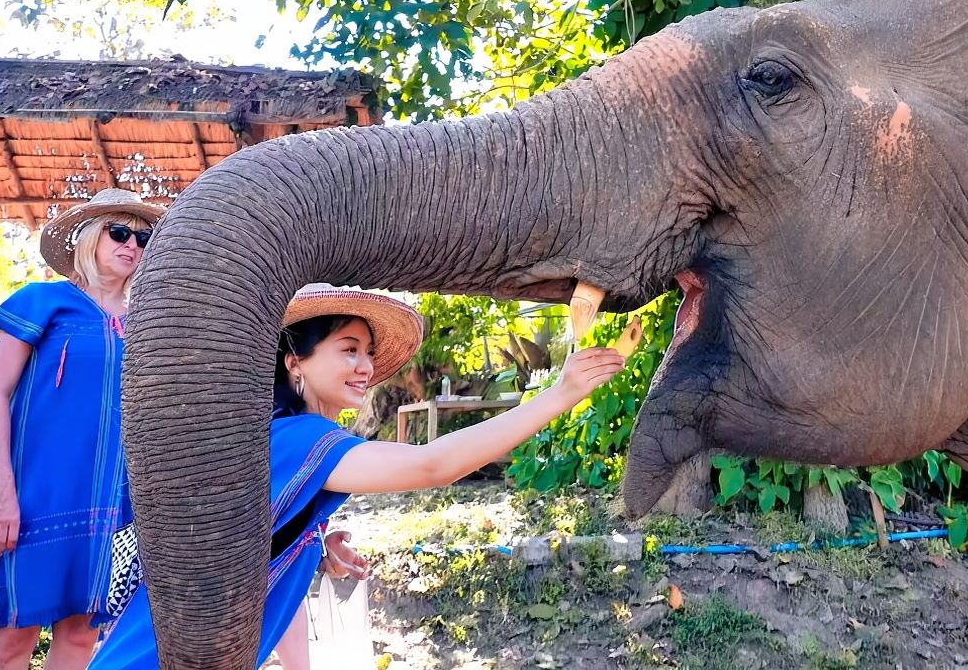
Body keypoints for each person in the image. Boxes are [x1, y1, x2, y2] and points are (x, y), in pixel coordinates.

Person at [90, 284, 626, 669]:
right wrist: (561, 394)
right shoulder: (300, 440)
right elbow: (432, 464)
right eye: (348, 349)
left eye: (368, 352)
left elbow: (241, 543)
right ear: (294, 360)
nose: (366, 366)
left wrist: (313, 548)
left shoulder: (278, 439)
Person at [0, 188, 165, 670]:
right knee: (11, 641)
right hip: (36, 496)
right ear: (87, 238)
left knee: (81, 640)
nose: (132, 245)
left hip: (114, 503)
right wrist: (0, 492)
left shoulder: (150, 321)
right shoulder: (43, 303)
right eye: (118, 232)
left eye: (142, 238)